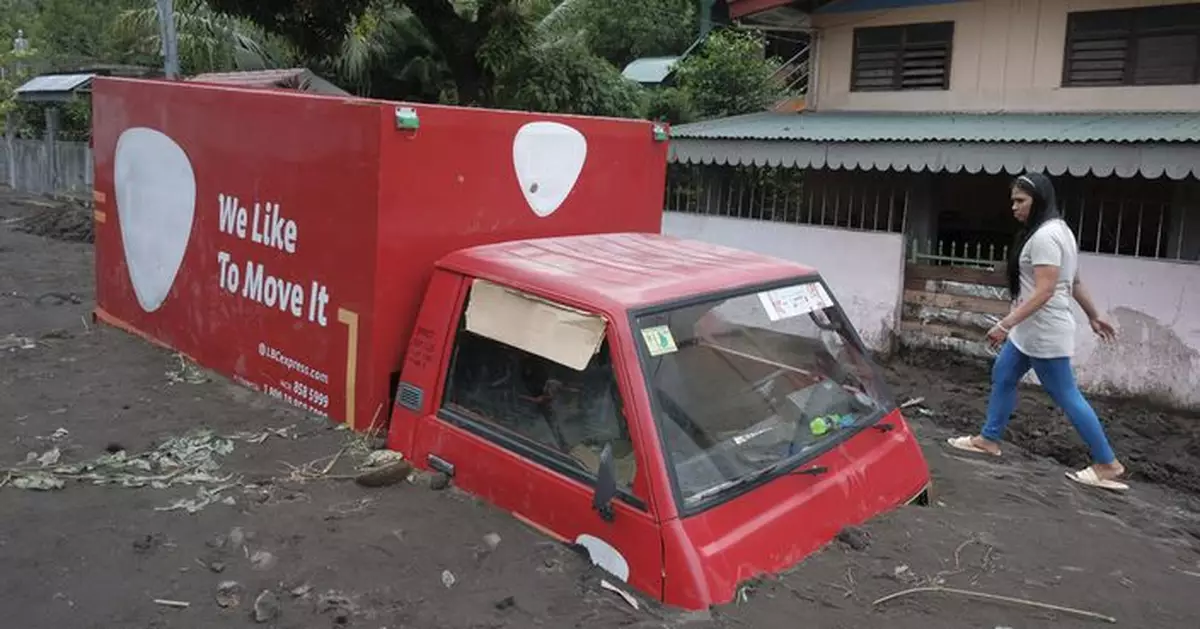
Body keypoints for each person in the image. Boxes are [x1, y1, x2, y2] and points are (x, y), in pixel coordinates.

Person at [946, 172, 1128, 491]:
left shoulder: (1045, 237)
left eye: (1020, 201)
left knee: (1066, 395)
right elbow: (1073, 283)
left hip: (1044, 332)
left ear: (1039, 200)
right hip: (1029, 333)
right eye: (1013, 200)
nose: (1014, 207)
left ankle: (1107, 464)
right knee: (1003, 373)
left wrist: (1005, 324)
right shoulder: (1061, 231)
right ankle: (988, 439)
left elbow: (1045, 291)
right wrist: (1094, 316)